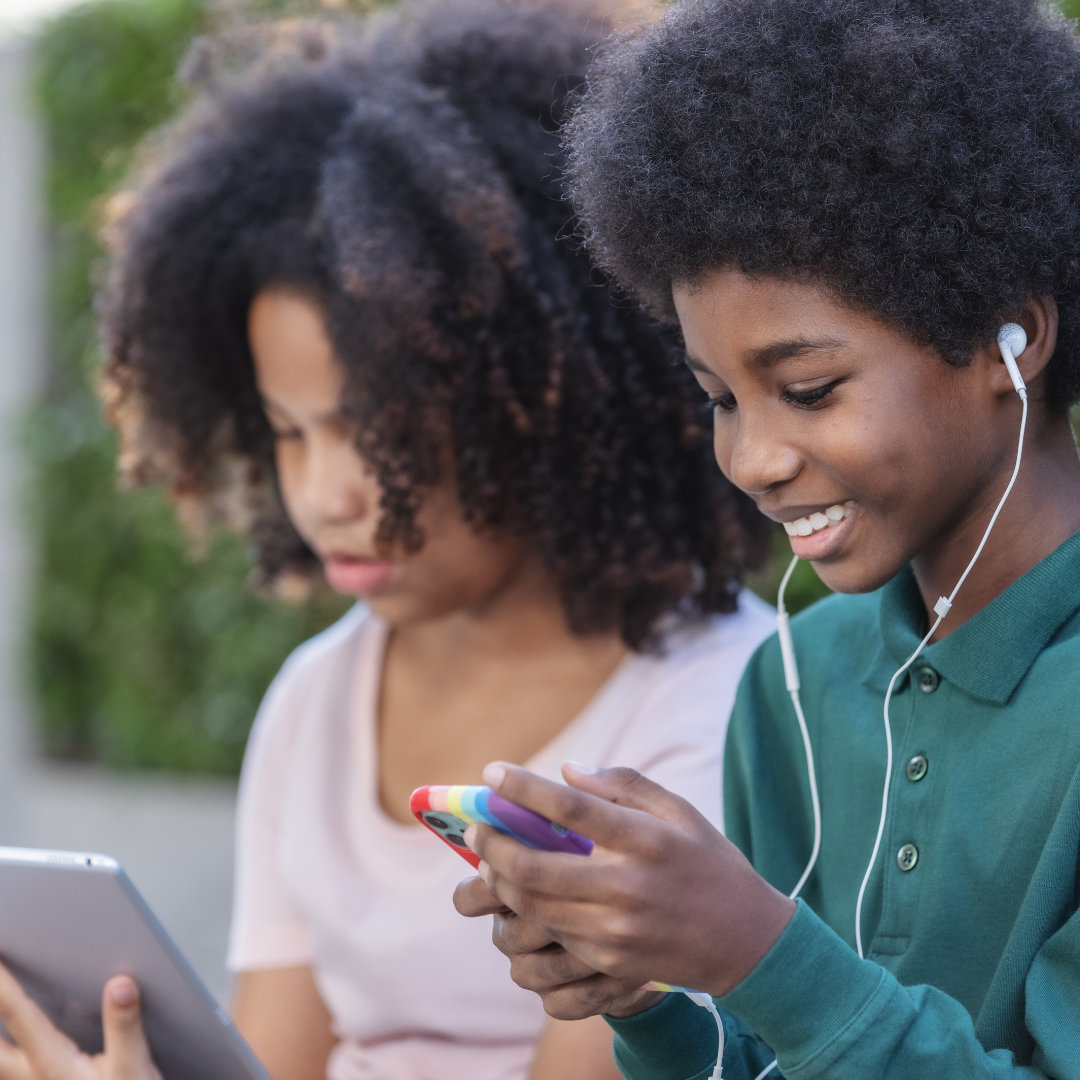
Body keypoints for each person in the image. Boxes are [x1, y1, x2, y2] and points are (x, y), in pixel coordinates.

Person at [0, 3, 776, 1080]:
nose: (324, 494)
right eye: (287, 432)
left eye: (380, 436)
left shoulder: (723, 708)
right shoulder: (318, 699)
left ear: (543, 397)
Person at [451, 0, 1080, 1077]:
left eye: (809, 388)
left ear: (1007, 341)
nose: (753, 459)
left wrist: (756, 951)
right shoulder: (798, 682)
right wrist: (648, 997)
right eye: (721, 399)